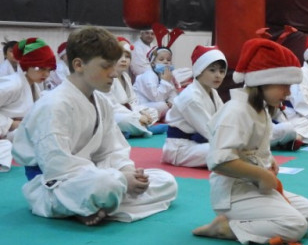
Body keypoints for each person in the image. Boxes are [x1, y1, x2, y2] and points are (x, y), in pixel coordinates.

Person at [11, 26, 177, 226]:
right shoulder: (54, 105)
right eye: (106, 66)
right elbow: (58, 166)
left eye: (114, 65)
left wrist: (127, 171)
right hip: (54, 184)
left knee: (166, 181)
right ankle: (82, 203)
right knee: (105, 185)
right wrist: (120, 179)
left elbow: (113, 149)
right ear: (79, 64)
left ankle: (91, 206)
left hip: (95, 174)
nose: (114, 74)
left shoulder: (101, 101)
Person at [192, 37, 308, 245]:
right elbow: (219, 161)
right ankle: (227, 228)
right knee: (296, 226)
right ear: (262, 82)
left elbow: (254, 149)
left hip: (253, 186)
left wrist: (269, 162)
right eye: (284, 85)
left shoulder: (260, 109)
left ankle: (248, 223)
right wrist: (261, 174)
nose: (288, 93)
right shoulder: (237, 111)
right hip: (233, 194)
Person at [162, 45, 226, 168]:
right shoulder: (191, 97)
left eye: (222, 71)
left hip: (199, 144)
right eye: (212, 70)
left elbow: (224, 119)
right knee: (225, 152)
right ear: (199, 70)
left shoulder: (212, 92)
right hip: (181, 148)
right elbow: (211, 132)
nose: (218, 75)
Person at [0, 39, 55, 172]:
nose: (46, 74)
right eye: (40, 68)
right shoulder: (13, 85)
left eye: (49, 69)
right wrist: (11, 123)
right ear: (27, 65)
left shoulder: (34, 86)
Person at [100, 37, 159, 138]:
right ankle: (142, 127)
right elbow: (112, 106)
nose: (124, 60)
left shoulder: (126, 77)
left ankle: (132, 129)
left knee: (153, 112)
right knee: (125, 120)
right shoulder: (107, 77)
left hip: (129, 111)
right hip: (114, 113)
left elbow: (133, 101)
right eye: (119, 56)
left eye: (127, 57)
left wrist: (141, 112)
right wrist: (138, 116)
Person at [133, 24, 183, 121]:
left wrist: (172, 102)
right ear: (152, 63)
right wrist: (165, 82)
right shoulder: (149, 75)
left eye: (168, 60)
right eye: (161, 59)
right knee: (163, 105)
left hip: (156, 104)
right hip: (142, 105)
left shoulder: (167, 74)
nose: (165, 62)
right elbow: (156, 98)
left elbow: (172, 93)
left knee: (177, 104)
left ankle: (163, 115)